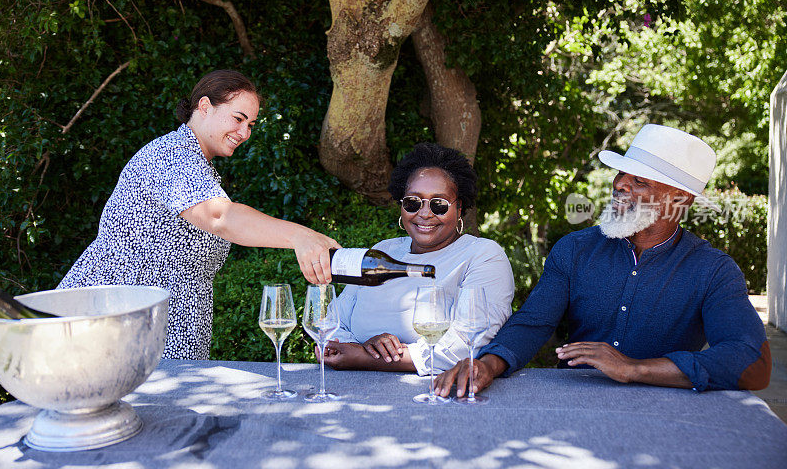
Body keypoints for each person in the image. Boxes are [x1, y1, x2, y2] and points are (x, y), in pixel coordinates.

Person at [435, 124, 771, 396]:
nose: (620, 185)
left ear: (679, 198)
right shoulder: (575, 249)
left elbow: (752, 363)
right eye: (622, 174)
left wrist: (634, 369)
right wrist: (488, 365)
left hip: (670, 415)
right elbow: (532, 323)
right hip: (574, 404)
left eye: (639, 180)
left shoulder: (713, 270)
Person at [59, 70, 340, 359]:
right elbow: (220, 217)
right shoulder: (173, 155)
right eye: (238, 118)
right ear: (204, 107)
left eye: (251, 124)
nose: (245, 133)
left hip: (160, 321)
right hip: (116, 324)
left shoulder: (195, 164)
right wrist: (299, 236)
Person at [319, 142, 515, 375]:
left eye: (438, 204)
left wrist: (365, 358)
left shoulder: (482, 256)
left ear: (459, 208)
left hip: (437, 394)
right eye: (413, 202)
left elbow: (467, 345)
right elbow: (331, 325)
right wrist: (364, 346)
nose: (424, 213)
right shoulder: (382, 250)